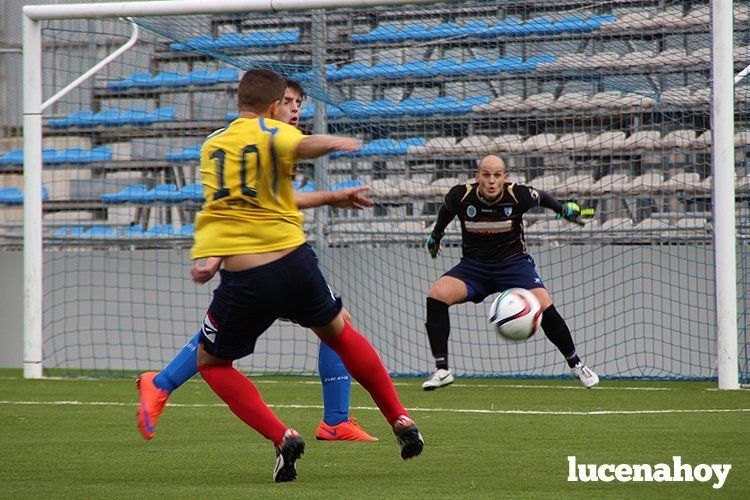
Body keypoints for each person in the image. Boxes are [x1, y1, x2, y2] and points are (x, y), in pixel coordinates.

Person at [188, 68, 423, 482]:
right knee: (339, 332)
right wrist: (335, 142)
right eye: (289, 104)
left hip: (248, 276)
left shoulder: (212, 148)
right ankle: (399, 417)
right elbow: (303, 145)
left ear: (237, 100)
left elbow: (228, 209)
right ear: (276, 106)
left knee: (212, 363)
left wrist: (212, 256)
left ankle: (283, 436)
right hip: (296, 263)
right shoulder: (274, 134)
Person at [136, 80, 378, 443]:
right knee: (225, 345)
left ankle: (161, 383)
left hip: (282, 256)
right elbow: (230, 206)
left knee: (222, 341)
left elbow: (272, 200)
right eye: (288, 102)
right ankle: (335, 421)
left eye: (299, 103)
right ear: (271, 106)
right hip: (263, 260)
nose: (295, 109)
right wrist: (215, 254)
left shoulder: (280, 141)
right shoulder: (248, 141)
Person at [421, 154, 599, 390]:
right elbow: (446, 210)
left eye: (497, 175)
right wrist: (436, 234)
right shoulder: (461, 195)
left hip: (513, 265)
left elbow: (542, 197)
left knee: (545, 304)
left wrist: (562, 210)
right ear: (478, 177)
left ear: (505, 178)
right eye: (486, 175)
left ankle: (576, 365)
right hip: (474, 267)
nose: (491, 181)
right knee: (437, 295)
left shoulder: (518, 195)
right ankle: (442, 369)